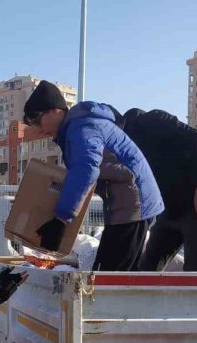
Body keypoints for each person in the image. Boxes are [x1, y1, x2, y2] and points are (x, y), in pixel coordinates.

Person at [23, 81, 164, 271]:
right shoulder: (78, 127)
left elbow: (86, 170)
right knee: (109, 275)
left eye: (37, 120)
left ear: (56, 110)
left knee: (111, 279)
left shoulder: (83, 129)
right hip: (125, 205)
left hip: (134, 204)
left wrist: (61, 220)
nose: (39, 130)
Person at [114, 108, 197, 272]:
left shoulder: (153, 121)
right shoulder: (122, 150)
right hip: (170, 210)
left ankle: (196, 297)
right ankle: (144, 297)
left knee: (196, 269)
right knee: (147, 268)